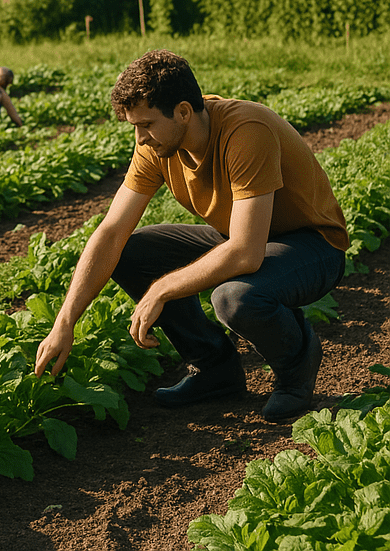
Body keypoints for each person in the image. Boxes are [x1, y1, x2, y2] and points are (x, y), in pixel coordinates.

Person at [34, 50, 347, 424]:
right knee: (131, 252)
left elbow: (246, 254)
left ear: (183, 111)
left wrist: (162, 289)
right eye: (135, 126)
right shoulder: (156, 145)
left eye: (146, 124)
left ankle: (297, 366)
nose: (140, 137)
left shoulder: (246, 131)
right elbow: (112, 231)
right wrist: (64, 322)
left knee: (234, 298)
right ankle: (215, 368)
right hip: (240, 235)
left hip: (312, 245)